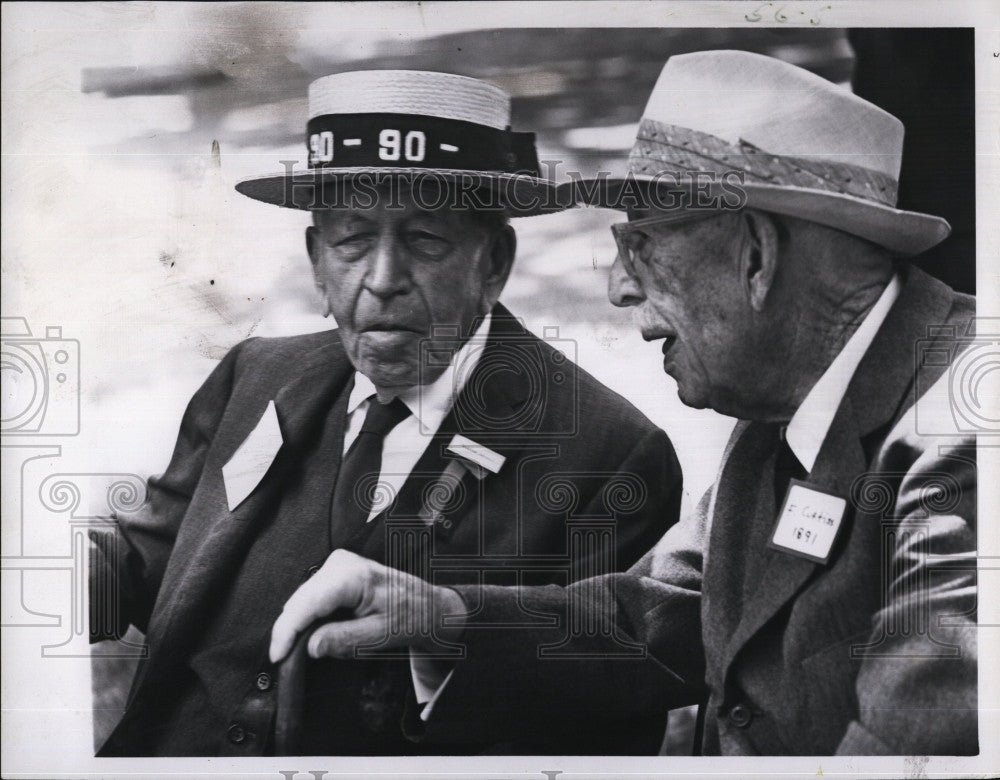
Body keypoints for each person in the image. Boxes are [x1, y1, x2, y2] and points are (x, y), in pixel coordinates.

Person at [269, 51, 979, 756]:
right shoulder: (790, 402)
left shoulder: (970, 436)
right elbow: (657, 620)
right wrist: (444, 619)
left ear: (757, 256)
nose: (618, 288)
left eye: (640, 245)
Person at [90, 69, 682, 756]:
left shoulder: (609, 455)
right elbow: (153, 557)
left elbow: (594, 716)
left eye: (425, 239)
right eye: (352, 240)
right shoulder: (254, 377)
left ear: (494, 262)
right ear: (316, 262)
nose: (381, 278)